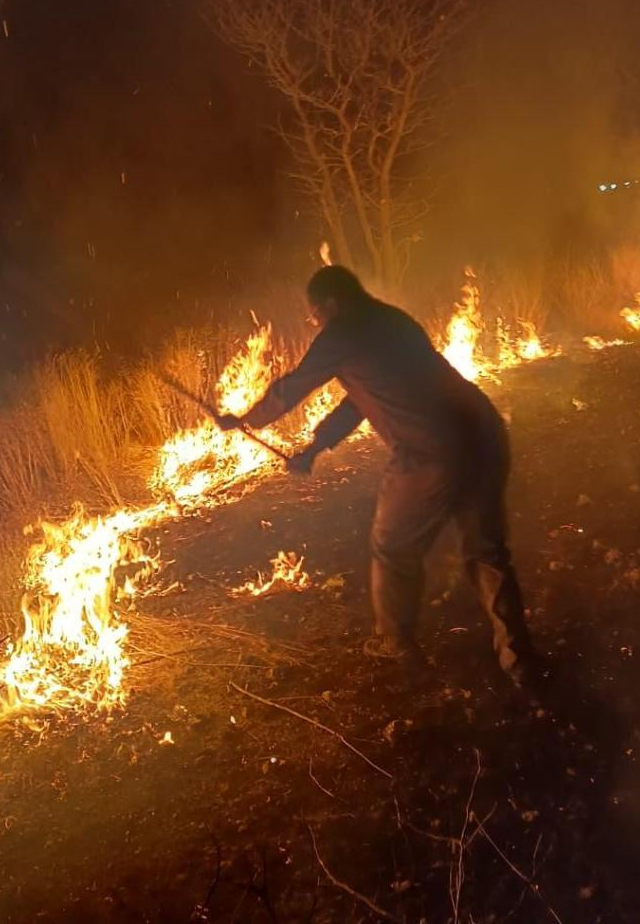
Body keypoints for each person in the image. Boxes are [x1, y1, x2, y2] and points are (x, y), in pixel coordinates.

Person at [217, 266, 539, 686]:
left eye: (315, 315)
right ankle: (520, 662)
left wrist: (245, 420)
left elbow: (291, 388)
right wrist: (315, 448)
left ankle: (397, 644)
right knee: (487, 552)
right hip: (482, 433)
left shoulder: (341, 333)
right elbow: (359, 400)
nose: (317, 323)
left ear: (330, 304)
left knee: (391, 547)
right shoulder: (393, 321)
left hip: (429, 452)